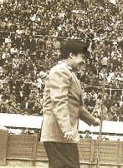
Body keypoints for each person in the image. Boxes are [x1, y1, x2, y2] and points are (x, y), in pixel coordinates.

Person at [40, 38, 100, 168]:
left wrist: (92, 120)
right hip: (59, 133)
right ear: (71, 55)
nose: (84, 61)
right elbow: (59, 102)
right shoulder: (60, 71)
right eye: (82, 57)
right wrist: (66, 129)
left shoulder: (68, 72)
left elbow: (75, 104)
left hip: (63, 134)